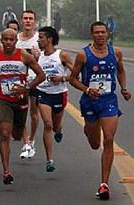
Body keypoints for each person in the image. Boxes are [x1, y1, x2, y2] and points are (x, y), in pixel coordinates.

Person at [69, 21, 131, 200]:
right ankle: (89, 129)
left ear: (108, 34)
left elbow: (120, 71)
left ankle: (104, 184)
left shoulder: (116, 52)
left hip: (108, 101)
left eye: (103, 32)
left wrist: (124, 88)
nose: (100, 35)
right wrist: (87, 89)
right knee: (95, 144)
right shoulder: (83, 55)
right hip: (90, 102)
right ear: (92, 35)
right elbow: (73, 79)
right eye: (96, 32)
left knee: (109, 139)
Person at [0, 28, 45, 184]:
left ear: (16, 41)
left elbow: (41, 75)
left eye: (12, 39)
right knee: (5, 133)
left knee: (17, 135)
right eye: (5, 39)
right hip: (4, 100)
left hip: (21, 101)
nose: (8, 42)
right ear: (2, 40)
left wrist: (27, 87)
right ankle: (6, 171)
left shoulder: (24, 56)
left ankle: (17, 136)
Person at [35, 26, 73, 172]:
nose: (39, 41)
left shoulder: (61, 55)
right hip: (43, 93)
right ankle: (49, 160)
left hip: (59, 94)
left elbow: (76, 74)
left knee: (55, 126)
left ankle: (59, 129)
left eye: (41, 38)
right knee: (48, 124)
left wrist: (62, 78)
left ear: (49, 39)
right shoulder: (39, 56)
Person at [16, 10, 40, 159]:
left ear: (35, 21)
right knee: (21, 112)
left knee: (33, 113)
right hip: (19, 80)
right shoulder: (15, 39)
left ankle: (32, 139)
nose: (28, 21)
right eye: (25, 18)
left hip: (35, 80)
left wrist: (38, 56)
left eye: (31, 18)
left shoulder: (39, 39)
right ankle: (26, 143)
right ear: (21, 21)